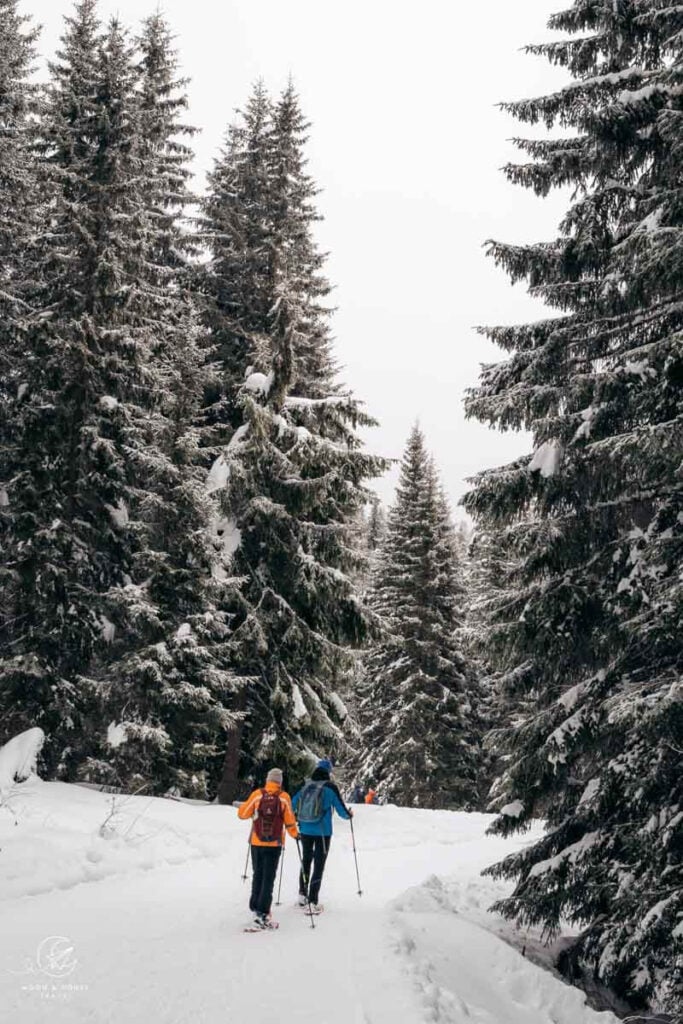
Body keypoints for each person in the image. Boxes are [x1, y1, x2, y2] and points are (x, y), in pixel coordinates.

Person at [237, 767, 299, 930]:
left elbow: (242, 814)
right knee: (268, 878)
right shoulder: (284, 797)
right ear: (280, 783)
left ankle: (255, 907)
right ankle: (262, 913)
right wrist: (296, 835)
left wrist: (252, 813)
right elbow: (290, 821)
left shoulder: (257, 794)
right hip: (274, 844)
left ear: (267, 780)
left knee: (258, 874)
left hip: (256, 843)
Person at [292, 758, 352, 913]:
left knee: (306, 860)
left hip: (305, 829)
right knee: (319, 864)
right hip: (323, 832)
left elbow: (291, 804)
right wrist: (349, 815)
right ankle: (313, 900)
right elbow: (341, 811)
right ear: (328, 772)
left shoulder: (305, 785)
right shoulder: (330, 787)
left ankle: (302, 895)